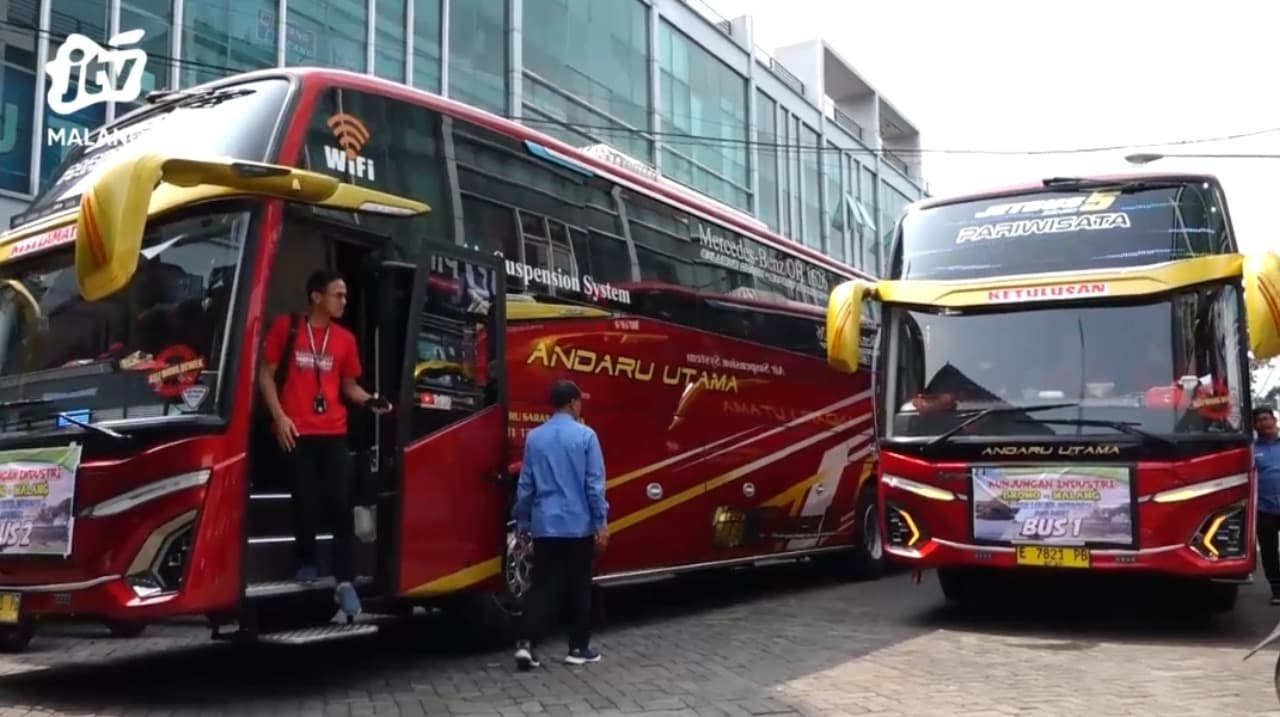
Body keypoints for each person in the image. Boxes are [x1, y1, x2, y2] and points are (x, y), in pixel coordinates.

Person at [257, 268, 391, 618]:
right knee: (304, 497)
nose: (344, 301)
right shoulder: (286, 328)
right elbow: (265, 376)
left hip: (334, 430)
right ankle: (307, 561)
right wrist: (280, 417)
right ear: (316, 297)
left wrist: (369, 400)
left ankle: (344, 579)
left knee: (341, 502)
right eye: (338, 295)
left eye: (345, 295)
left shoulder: (345, 339)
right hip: (297, 430)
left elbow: (349, 387)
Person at [512, 379, 609, 670]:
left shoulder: (535, 438)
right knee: (579, 586)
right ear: (573, 403)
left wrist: (523, 521)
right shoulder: (586, 436)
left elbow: (526, 484)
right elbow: (594, 485)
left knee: (542, 586)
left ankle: (527, 645)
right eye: (580, 402)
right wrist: (601, 522)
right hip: (577, 525)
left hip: (545, 525)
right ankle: (578, 648)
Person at [1255, 406, 1280, 605]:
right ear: (1255, 426)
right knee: (1269, 551)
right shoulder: (1252, 449)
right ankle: (1277, 590)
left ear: (1274, 420)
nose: (1264, 422)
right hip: (1264, 510)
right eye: (1260, 420)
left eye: (1267, 418)